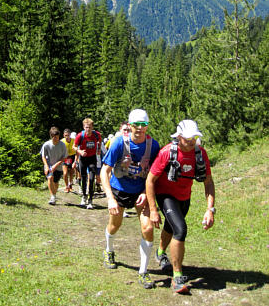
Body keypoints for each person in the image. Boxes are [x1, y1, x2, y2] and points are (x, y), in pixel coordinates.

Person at [146, 120, 216, 294]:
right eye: (187, 138)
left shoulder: (201, 153)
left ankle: (160, 252)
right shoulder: (167, 152)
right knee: (180, 229)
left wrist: (210, 209)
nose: (191, 141)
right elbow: (150, 180)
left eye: (194, 137)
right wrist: (153, 209)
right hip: (165, 195)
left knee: (171, 227)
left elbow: (208, 182)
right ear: (178, 137)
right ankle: (177, 277)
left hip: (184, 197)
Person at [100, 109, 160, 289]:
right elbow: (104, 171)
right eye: (136, 125)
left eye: (143, 125)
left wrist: (145, 193)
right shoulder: (119, 143)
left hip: (141, 192)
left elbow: (155, 174)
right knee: (115, 225)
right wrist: (110, 198)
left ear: (147, 126)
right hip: (119, 190)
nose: (139, 128)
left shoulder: (153, 146)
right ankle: (109, 250)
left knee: (148, 228)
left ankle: (143, 271)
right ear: (129, 125)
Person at [73, 118, 101, 209]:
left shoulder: (96, 135)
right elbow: (74, 147)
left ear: (92, 127)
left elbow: (99, 142)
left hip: (92, 158)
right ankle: (84, 196)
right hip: (83, 159)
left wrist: (99, 149)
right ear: (83, 127)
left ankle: (90, 200)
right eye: (86, 127)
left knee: (92, 178)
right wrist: (80, 151)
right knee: (83, 177)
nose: (88, 129)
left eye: (89, 127)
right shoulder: (80, 135)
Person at [41, 126, 67, 205]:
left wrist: (57, 164)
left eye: (57, 137)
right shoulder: (46, 145)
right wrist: (46, 166)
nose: (55, 138)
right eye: (54, 137)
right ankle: (52, 197)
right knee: (50, 177)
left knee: (56, 182)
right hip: (49, 165)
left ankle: (54, 194)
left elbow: (65, 157)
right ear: (51, 136)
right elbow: (43, 156)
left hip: (59, 166)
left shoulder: (62, 145)